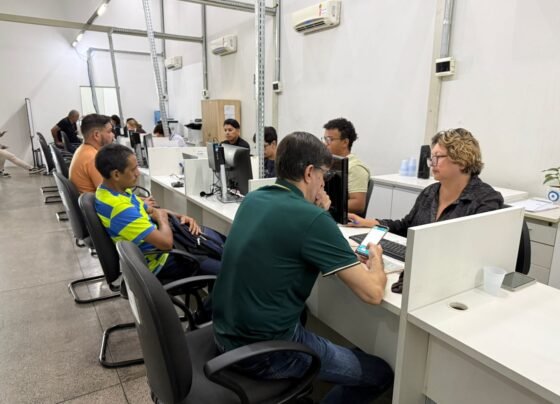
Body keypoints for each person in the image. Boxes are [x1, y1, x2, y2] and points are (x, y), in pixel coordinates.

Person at [212, 132, 393, 403]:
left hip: (225, 335)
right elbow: (373, 293)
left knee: (312, 320)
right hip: (264, 354)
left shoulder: (254, 198)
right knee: (379, 374)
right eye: (323, 175)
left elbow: (295, 235)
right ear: (309, 173)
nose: (324, 183)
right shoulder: (313, 219)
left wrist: (320, 215)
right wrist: (375, 256)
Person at [94, 143, 220, 278]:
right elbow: (166, 243)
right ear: (116, 174)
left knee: (216, 243)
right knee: (224, 269)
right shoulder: (119, 207)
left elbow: (152, 211)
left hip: (161, 247)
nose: (137, 173)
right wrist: (162, 219)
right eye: (133, 169)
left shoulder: (113, 192)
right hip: (159, 261)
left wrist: (181, 216)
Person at [348, 128, 504, 236]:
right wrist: (367, 222)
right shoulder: (430, 192)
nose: (432, 163)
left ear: (462, 161)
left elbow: (475, 249)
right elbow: (406, 226)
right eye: (432, 157)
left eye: (438, 157)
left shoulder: (485, 200)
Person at [323, 118, 370, 215]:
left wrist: (325, 206)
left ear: (345, 142)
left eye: (330, 139)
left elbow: (358, 204)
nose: (325, 144)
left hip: (339, 219)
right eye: (325, 139)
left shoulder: (355, 168)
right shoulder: (331, 163)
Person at [68, 114, 115, 194]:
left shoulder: (83, 150)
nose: (113, 135)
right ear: (96, 135)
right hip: (98, 200)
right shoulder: (92, 158)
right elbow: (109, 193)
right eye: (109, 131)